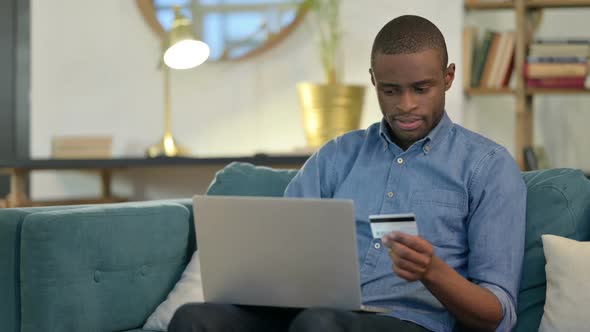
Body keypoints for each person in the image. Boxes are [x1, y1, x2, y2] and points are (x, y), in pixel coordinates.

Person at [169, 15, 526, 332]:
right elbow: (282, 248)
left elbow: (498, 315)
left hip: (409, 320)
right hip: (314, 313)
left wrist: (431, 271)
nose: (406, 105)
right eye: (390, 90)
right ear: (373, 80)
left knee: (319, 323)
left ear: (447, 78)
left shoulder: (488, 167)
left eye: (421, 89)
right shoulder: (337, 156)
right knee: (194, 318)